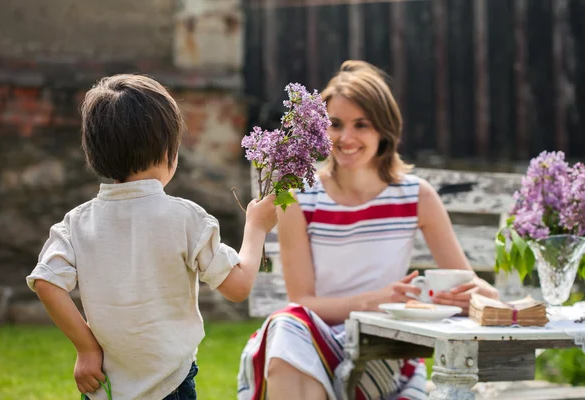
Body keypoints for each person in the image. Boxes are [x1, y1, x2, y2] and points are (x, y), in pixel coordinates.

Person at [237, 61, 499, 400]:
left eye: (362, 125)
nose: (346, 138)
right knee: (286, 326)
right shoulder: (301, 195)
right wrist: (378, 300)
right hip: (315, 336)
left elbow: (465, 283)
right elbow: (302, 301)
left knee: (292, 339)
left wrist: (481, 295)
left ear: (384, 130)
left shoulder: (416, 195)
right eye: (335, 124)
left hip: (384, 344)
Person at [26, 74, 278, 400]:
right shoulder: (186, 218)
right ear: (169, 150)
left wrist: (86, 348)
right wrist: (256, 227)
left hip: (105, 387)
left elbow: (46, 282)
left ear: (95, 152)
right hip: (171, 384)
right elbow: (238, 286)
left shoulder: (76, 223)